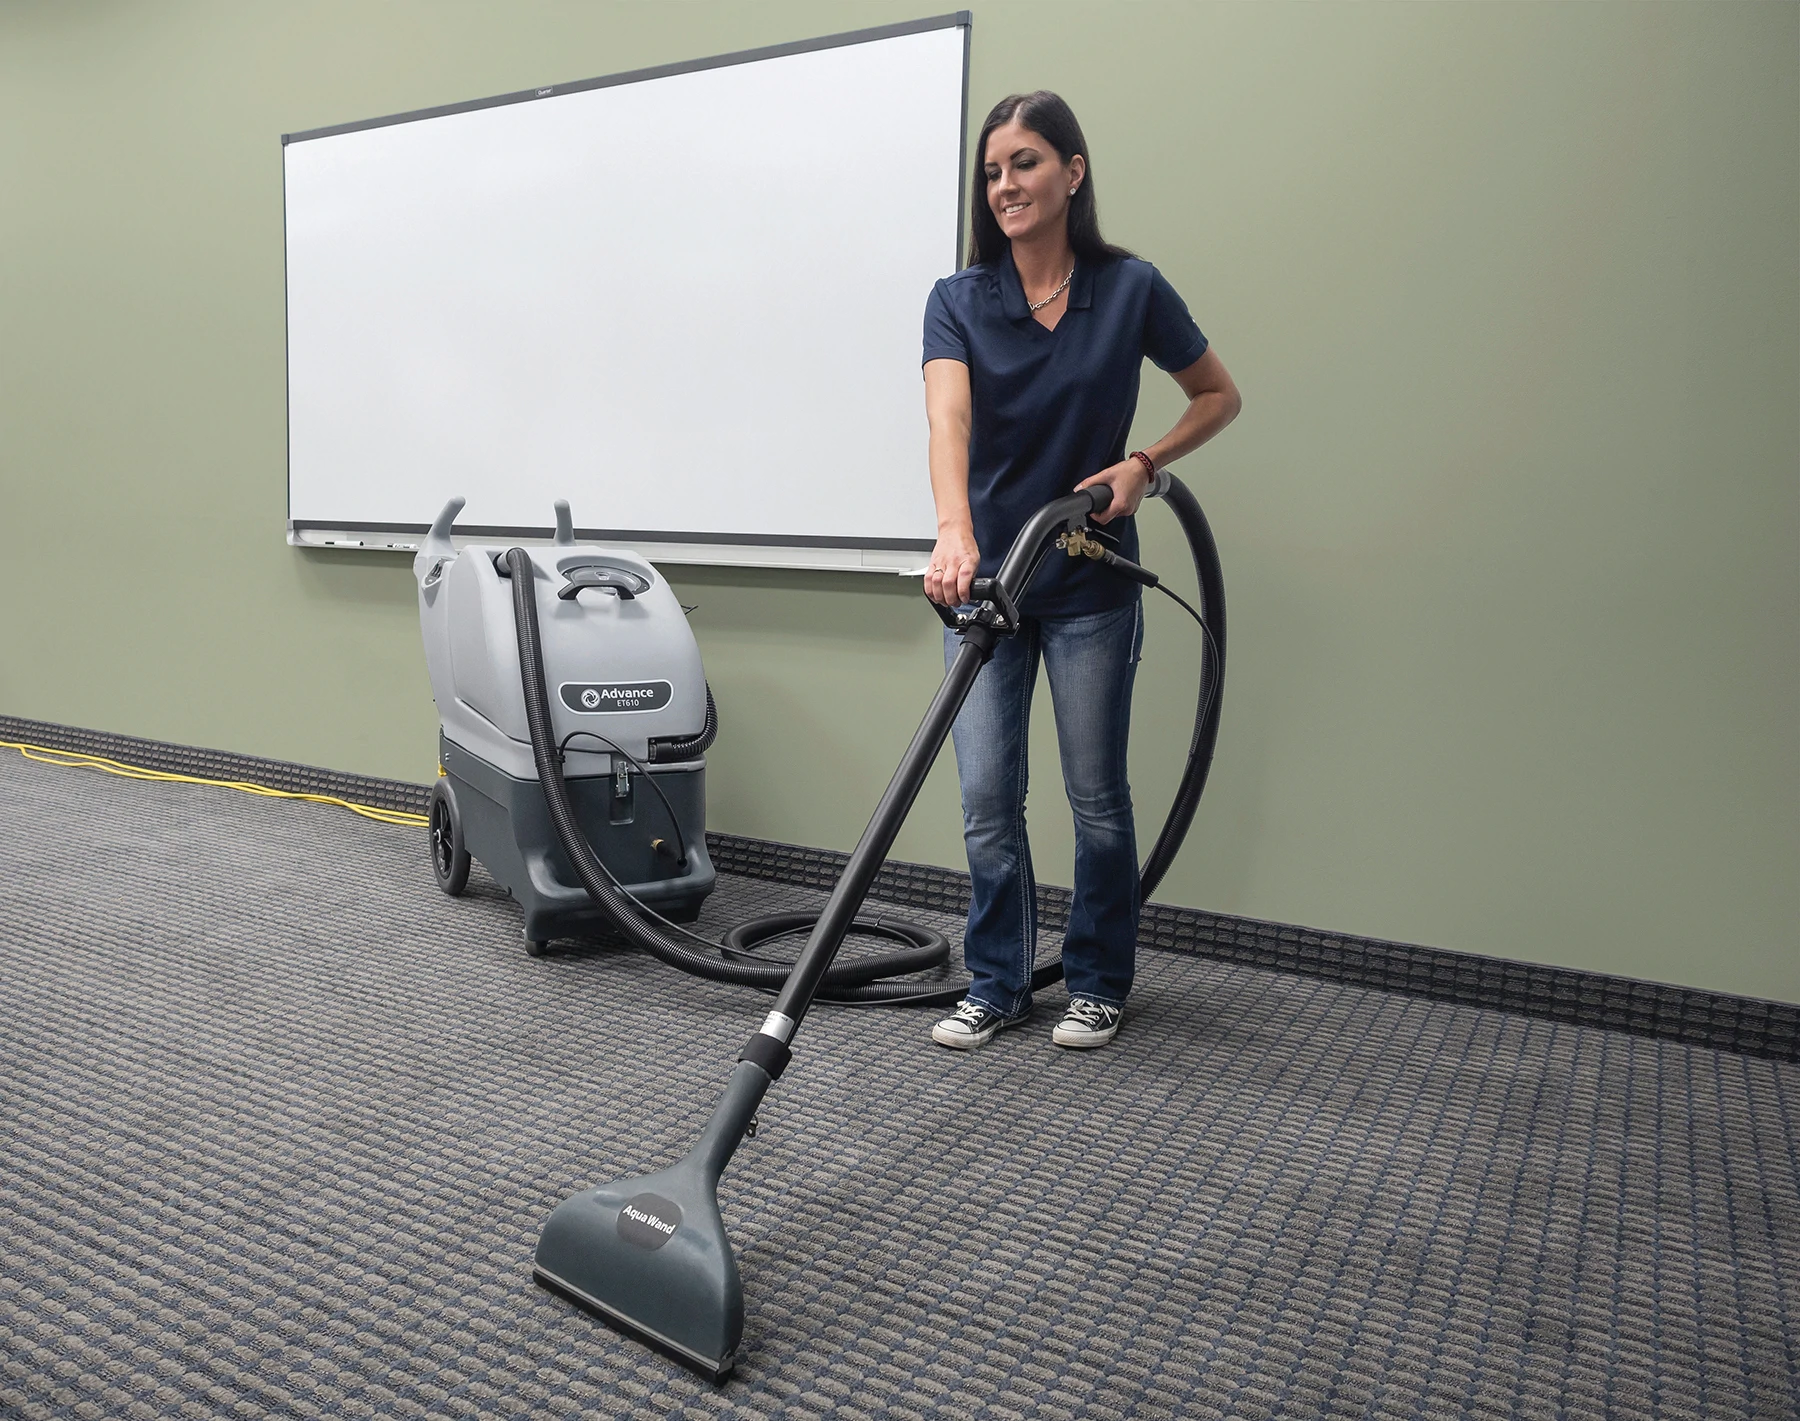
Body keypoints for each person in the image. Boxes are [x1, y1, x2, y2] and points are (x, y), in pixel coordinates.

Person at [921, 91, 1241, 1051]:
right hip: (985, 585)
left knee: (1096, 798)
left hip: (1089, 580)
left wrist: (1146, 465)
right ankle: (998, 982)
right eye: (992, 171)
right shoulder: (958, 300)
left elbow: (1218, 394)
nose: (1005, 185)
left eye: (1024, 162)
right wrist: (953, 530)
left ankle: (1098, 980)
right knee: (987, 803)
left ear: (1072, 170)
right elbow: (949, 419)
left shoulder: (1130, 288)